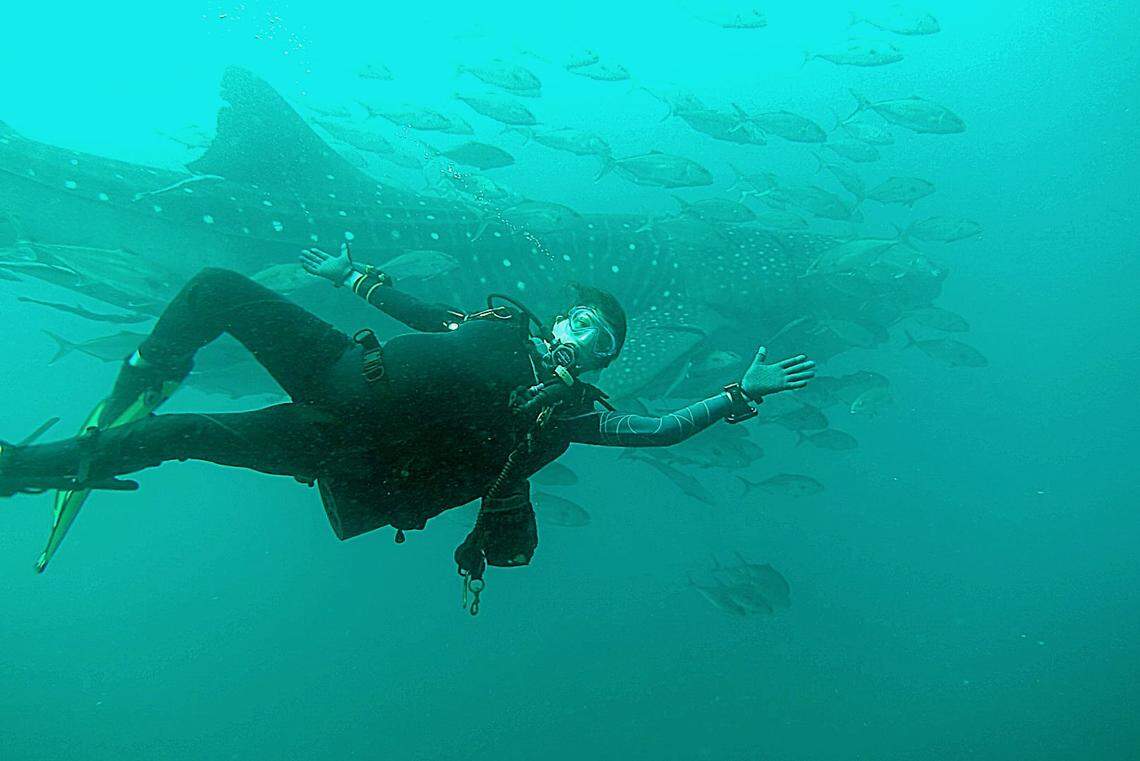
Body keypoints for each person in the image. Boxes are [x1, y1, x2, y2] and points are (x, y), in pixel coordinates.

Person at [0, 244, 816, 597]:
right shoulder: (494, 324)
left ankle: (25, 467)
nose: (576, 335)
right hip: (338, 366)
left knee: (187, 437)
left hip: (341, 443)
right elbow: (420, 311)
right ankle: (148, 369)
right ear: (558, 315)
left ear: (603, 363)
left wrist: (736, 394)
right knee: (216, 285)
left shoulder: (563, 414)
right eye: (576, 318)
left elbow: (658, 431)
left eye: (597, 339)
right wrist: (350, 274)